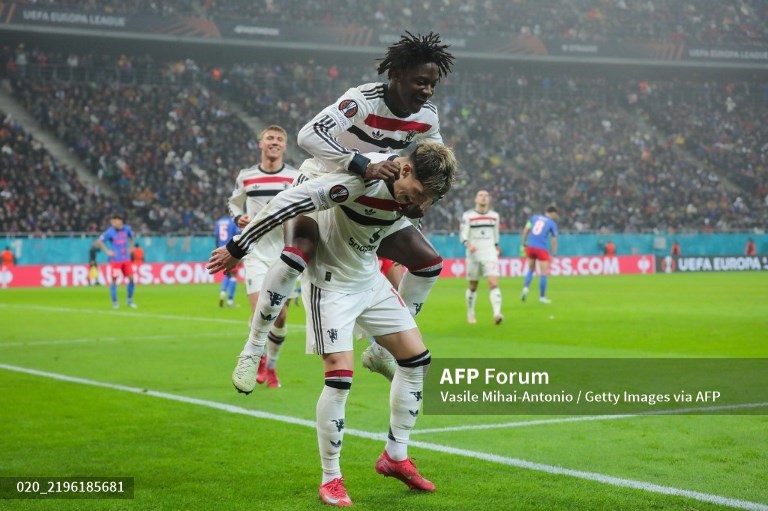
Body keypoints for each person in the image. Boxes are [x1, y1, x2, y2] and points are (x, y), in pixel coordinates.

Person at [207, 142, 457, 506]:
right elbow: (287, 201)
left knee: (417, 361)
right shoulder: (357, 181)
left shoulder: (411, 193)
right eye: (419, 193)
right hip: (330, 284)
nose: (420, 203)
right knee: (339, 379)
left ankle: (396, 456)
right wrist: (237, 246)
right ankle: (331, 477)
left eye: (429, 198)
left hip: (367, 276)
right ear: (404, 171)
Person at [229, 32, 455, 384]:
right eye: (420, 82)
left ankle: (381, 349)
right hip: (323, 185)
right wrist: (360, 163)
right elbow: (308, 135)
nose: (427, 91)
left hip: (375, 196)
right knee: (296, 254)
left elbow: (436, 166)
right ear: (397, 75)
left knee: (427, 264)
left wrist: (426, 199)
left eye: (432, 85)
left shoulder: (427, 117)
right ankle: (254, 347)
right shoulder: (361, 100)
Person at [227, 124, 300, 388]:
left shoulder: (294, 176)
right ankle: (256, 356)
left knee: (280, 316)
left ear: (284, 145)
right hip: (255, 252)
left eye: (280, 139)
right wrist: (238, 216)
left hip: (286, 253)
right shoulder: (246, 176)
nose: (274, 142)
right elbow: (234, 201)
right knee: (262, 310)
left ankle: (271, 367)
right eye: (270, 138)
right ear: (261, 144)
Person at [460, 190, 503, 325]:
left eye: (486, 196)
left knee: (493, 283)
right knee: (473, 285)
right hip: (473, 254)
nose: (484, 198)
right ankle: (470, 312)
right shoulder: (468, 216)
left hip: (489, 252)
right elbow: (463, 233)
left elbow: (496, 233)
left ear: (489, 200)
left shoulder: (494, 216)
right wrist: (468, 244)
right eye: (481, 195)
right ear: (476, 199)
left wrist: (496, 245)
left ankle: (497, 313)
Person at [96, 214, 137, 309]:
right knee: (114, 280)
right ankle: (115, 302)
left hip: (126, 260)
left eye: (114, 222)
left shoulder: (127, 229)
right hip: (116, 261)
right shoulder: (110, 232)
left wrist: (130, 246)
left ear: (120, 222)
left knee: (131, 279)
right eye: (112, 222)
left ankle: (129, 300)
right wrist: (107, 251)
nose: (113, 223)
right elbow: (99, 241)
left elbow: (133, 236)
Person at [521, 205, 559, 304]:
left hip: (530, 247)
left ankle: (525, 288)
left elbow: (525, 230)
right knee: (543, 273)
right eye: (554, 215)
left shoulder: (534, 218)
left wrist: (524, 243)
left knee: (530, 270)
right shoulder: (552, 223)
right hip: (541, 248)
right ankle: (542, 297)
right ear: (552, 213)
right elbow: (554, 239)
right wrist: (554, 253)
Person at [215, 215, 240, 307]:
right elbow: (237, 235)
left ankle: (222, 293)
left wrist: (217, 250)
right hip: (231, 250)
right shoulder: (232, 222)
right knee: (233, 276)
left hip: (221, 250)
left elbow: (216, 237)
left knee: (227, 273)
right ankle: (230, 301)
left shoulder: (218, 222)